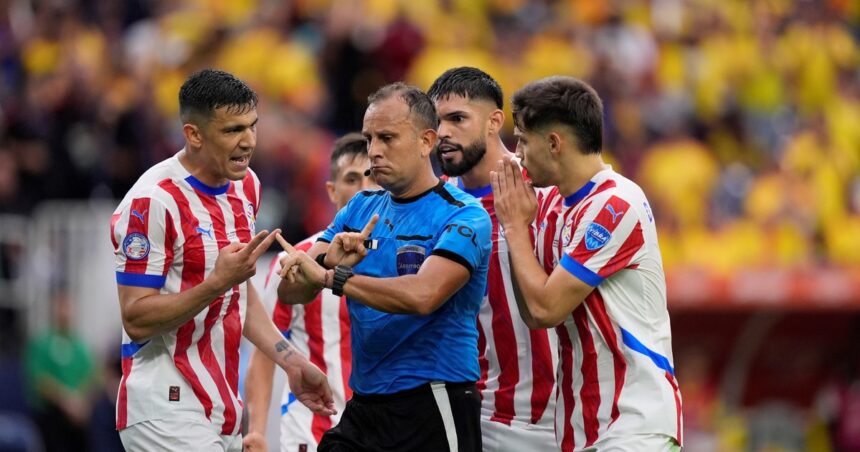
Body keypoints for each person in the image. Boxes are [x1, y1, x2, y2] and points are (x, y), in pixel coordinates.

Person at [110, 68, 334, 452]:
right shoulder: (152, 202)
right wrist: (215, 283)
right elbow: (136, 317)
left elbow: (239, 293)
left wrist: (290, 360)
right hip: (164, 404)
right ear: (194, 134)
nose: (248, 141)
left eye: (252, 126)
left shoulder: (247, 186)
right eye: (232, 130)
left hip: (222, 406)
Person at [276, 82, 492, 452]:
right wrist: (307, 270)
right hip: (365, 403)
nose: (373, 151)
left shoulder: (463, 215)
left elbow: (424, 296)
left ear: (426, 142)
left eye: (387, 138)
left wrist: (334, 276)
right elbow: (292, 291)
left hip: (435, 401)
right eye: (369, 138)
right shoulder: (359, 208)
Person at [491, 76, 683, 451]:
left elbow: (546, 307)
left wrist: (515, 227)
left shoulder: (615, 205)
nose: (518, 153)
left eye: (524, 141)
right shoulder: (554, 206)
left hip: (634, 425)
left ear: (553, 143)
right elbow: (534, 310)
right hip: (580, 431)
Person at [426, 67, 557, 451]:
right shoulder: (435, 206)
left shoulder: (546, 192)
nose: (443, 133)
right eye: (436, 122)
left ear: (494, 121)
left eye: (457, 119)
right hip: (473, 414)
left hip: (557, 417)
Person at [243, 133, 379, 452]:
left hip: (386, 433)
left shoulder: (406, 257)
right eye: (351, 178)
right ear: (332, 191)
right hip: (315, 432)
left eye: (371, 177)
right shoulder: (295, 258)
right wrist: (258, 431)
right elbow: (265, 350)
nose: (363, 188)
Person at [24, 290, 97, 452]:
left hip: (78, 415)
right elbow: (40, 380)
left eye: (68, 307)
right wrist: (66, 401)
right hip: (51, 414)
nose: (65, 312)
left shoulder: (79, 345)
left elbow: (92, 376)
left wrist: (81, 403)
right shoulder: (42, 343)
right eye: (61, 307)